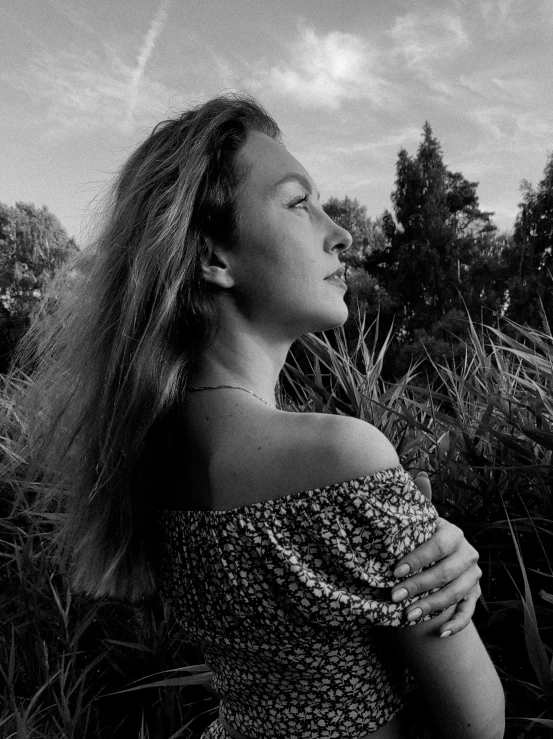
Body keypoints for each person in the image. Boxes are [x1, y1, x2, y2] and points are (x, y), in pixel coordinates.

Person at [13, 94, 503, 738]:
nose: (342, 231)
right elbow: (478, 722)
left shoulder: (150, 456)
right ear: (214, 257)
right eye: (300, 203)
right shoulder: (340, 456)